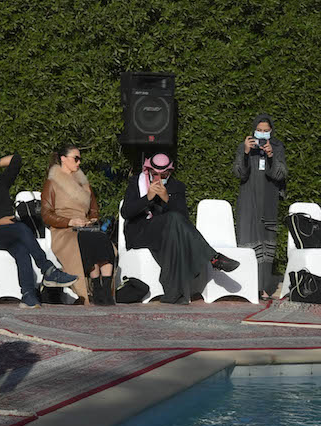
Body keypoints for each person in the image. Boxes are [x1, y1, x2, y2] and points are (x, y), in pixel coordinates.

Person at [0, 146, 78, 309]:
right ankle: (47, 269)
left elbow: (16, 159)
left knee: (20, 248)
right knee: (21, 228)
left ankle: (28, 294)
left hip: (5, 232)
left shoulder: (2, 183)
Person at [122, 153, 240, 305]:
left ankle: (174, 295)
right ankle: (213, 257)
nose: (158, 178)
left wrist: (166, 199)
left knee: (175, 231)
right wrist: (147, 198)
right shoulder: (136, 183)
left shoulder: (176, 187)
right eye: (155, 174)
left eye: (163, 174)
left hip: (166, 234)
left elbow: (183, 220)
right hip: (140, 233)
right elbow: (126, 213)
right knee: (173, 220)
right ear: (148, 171)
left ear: (169, 173)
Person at [41, 144, 116, 305]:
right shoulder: (52, 183)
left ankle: (105, 289)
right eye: (76, 158)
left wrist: (93, 219)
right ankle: (95, 287)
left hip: (85, 225)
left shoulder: (83, 182)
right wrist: (69, 221)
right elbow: (46, 215)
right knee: (87, 240)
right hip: (63, 228)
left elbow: (94, 209)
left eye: (79, 158)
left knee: (101, 239)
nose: (79, 162)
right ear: (63, 159)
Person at [233, 113, 287, 300]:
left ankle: (264, 288)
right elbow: (239, 173)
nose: (262, 133)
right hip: (248, 200)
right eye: (259, 130)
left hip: (268, 201)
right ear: (254, 130)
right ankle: (248, 287)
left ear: (271, 131)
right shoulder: (245, 146)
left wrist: (271, 156)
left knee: (266, 243)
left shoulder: (278, 147)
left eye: (266, 130)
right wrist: (246, 153)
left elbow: (280, 174)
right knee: (249, 241)